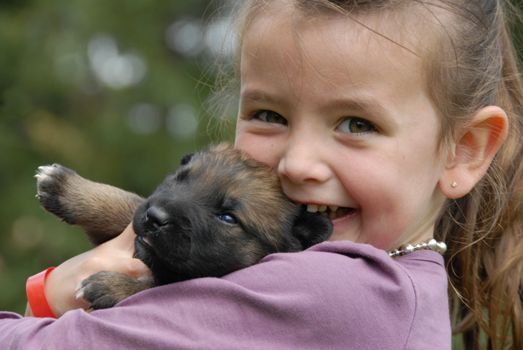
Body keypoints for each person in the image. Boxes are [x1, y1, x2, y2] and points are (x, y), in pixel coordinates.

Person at [1, 0, 522, 349]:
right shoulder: (399, 291)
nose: (297, 163)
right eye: (270, 115)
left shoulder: (340, 294)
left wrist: (46, 297)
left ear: (463, 152)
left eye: (356, 124)